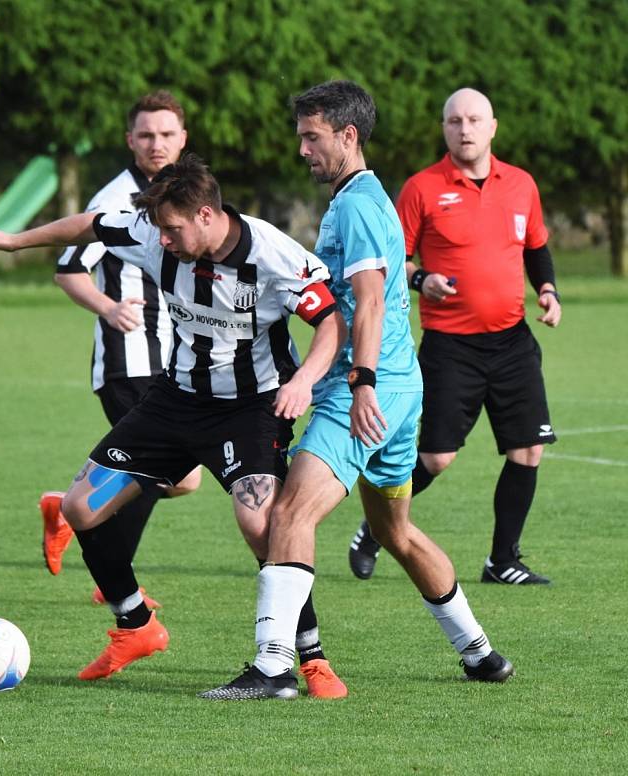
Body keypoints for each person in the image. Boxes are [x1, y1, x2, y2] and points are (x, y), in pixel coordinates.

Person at [0, 153, 349, 698]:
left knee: (262, 526)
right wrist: (12, 239)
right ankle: (135, 623)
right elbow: (91, 223)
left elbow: (330, 322)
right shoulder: (155, 230)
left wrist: (305, 379)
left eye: (173, 229)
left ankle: (308, 658)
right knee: (79, 507)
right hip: (174, 399)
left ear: (207, 216)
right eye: (159, 229)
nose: (163, 240)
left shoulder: (273, 254)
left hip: (250, 406)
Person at [202, 80, 514, 701]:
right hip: (401, 392)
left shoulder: (358, 206)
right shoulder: (367, 198)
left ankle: (272, 670)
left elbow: (369, 301)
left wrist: (361, 383)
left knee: (288, 512)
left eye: (311, 138)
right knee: (395, 533)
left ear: (348, 136)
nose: (302, 151)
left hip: (366, 392)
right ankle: (479, 652)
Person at [348, 88, 560, 585]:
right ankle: (374, 528)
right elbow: (393, 261)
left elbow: (537, 247)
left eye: (473, 120)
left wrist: (547, 290)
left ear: (492, 127)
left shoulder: (522, 185)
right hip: (450, 345)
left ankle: (502, 560)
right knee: (436, 458)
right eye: (453, 121)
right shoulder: (422, 188)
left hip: (512, 340)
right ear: (444, 129)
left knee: (528, 450)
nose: (464, 129)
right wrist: (424, 280)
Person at [39, 91, 201, 610]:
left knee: (178, 478)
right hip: (129, 354)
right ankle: (115, 582)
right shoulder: (114, 198)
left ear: (183, 139)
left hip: (173, 358)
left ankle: (71, 515)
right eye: (147, 135)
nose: (157, 144)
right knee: (170, 471)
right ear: (130, 140)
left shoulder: (185, 192)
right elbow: (68, 270)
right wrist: (108, 308)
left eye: (167, 134)